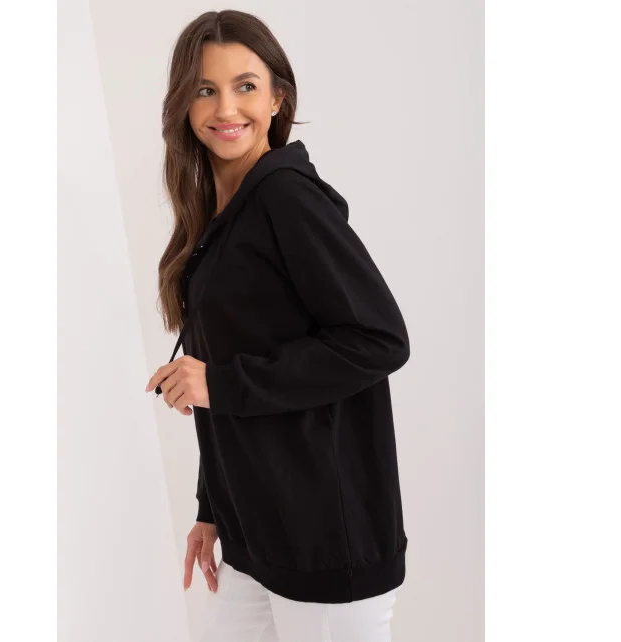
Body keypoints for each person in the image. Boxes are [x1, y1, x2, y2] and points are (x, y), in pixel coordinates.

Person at [145, 10, 410, 642]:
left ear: (276, 99)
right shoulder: (221, 217)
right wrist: (212, 506)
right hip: (255, 536)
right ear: (184, 103)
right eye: (205, 89)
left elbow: (379, 340)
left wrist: (221, 385)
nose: (225, 108)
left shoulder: (288, 199)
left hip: (326, 544)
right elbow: (226, 358)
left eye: (245, 85)